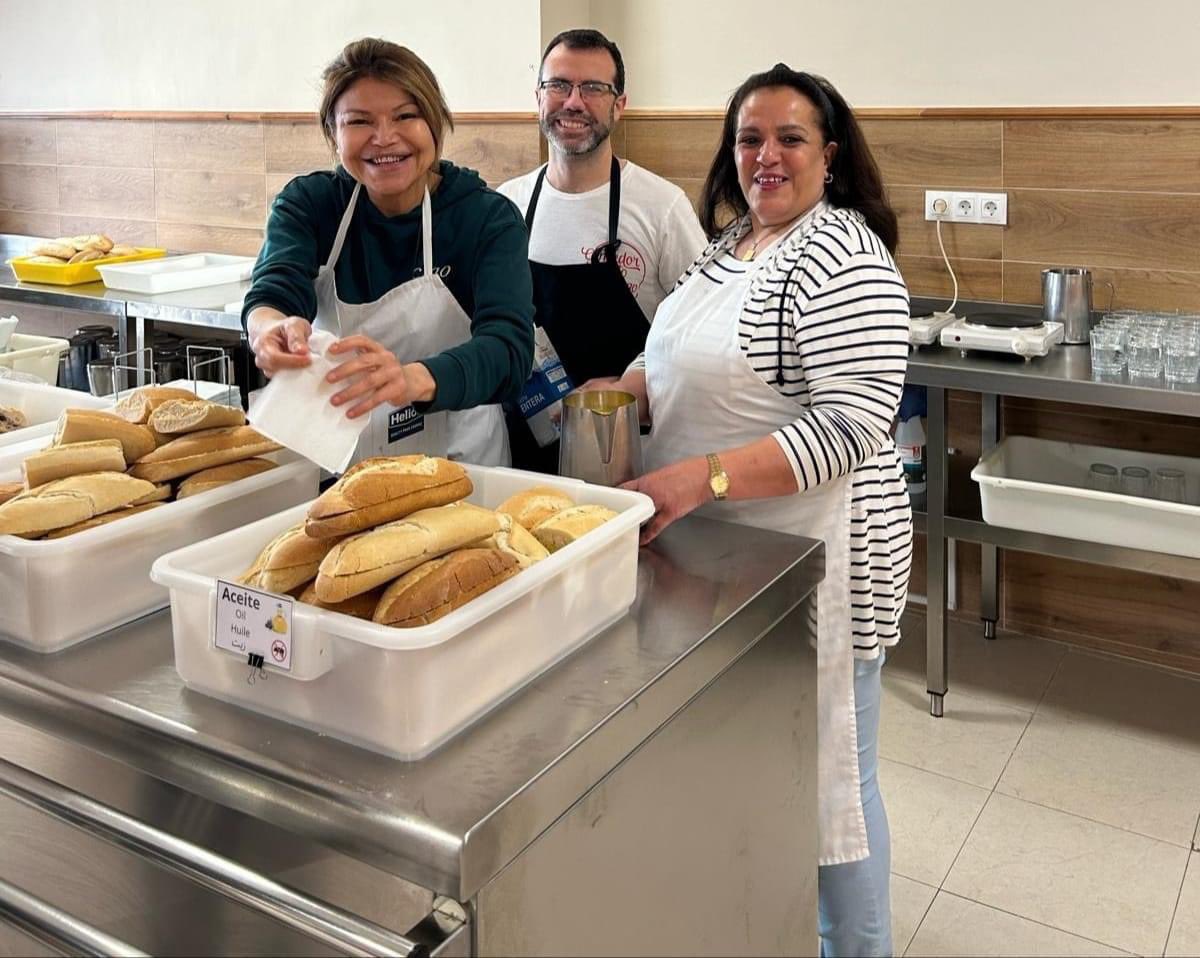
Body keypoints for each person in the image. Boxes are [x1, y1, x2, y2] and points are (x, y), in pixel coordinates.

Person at [599, 65, 912, 956]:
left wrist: (698, 480)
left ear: (831, 154)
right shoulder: (731, 240)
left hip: (819, 568)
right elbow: (684, 354)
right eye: (748, 138)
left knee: (834, 791)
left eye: (789, 138)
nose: (765, 156)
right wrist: (630, 389)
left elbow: (852, 423)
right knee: (771, 775)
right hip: (733, 564)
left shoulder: (842, 251)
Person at [243, 38, 534, 468]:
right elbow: (274, 290)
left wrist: (410, 378)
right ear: (334, 132)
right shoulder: (310, 204)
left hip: (459, 465)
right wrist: (268, 328)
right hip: (331, 459)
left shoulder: (485, 218)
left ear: (434, 122)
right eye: (359, 121)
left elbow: (509, 352)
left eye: (405, 116)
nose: (384, 138)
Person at [497, 28, 706, 472]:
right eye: (559, 85)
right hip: (522, 458)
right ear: (539, 97)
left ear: (619, 105)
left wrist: (629, 387)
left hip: (630, 458)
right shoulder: (506, 205)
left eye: (593, 88)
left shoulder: (661, 207)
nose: (574, 102)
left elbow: (700, 335)